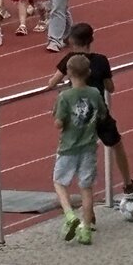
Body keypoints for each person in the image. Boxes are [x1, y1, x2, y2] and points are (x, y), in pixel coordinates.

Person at [46, 22, 133, 195]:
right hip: (99, 111)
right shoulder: (101, 60)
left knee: (75, 147)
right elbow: (110, 88)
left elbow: (52, 82)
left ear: (72, 41)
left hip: (77, 115)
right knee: (116, 144)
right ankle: (127, 182)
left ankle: (69, 184)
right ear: (91, 40)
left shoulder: (70, 60)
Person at [51, 54, 103, 245]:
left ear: (68, 73)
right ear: (88, 72)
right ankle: (86, 230)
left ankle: (70, 215)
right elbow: (102, 114)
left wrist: (59, 119)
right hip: (89, 147)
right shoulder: (95, 93)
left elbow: (58, 123)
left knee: (59, 182)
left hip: (68, 147)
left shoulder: (64, 96)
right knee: (86, 189)